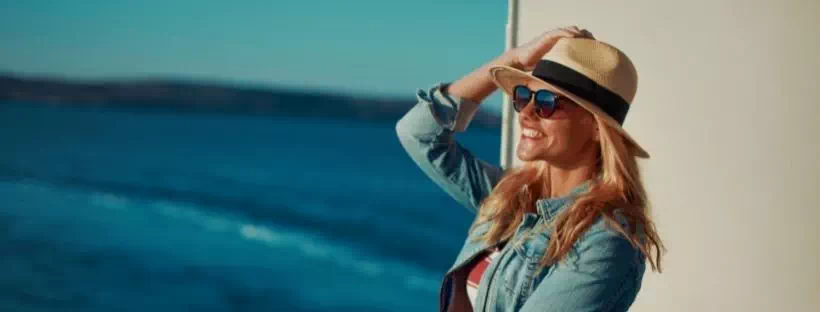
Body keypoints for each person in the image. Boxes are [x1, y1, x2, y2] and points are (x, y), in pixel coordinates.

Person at [395, 26, 664, 312]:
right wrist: (513, 60)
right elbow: (418, 133)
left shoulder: (606, 241)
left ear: (596, 128)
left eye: (547, 102)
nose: (525, 113)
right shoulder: (512, 195)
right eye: (524, 96)